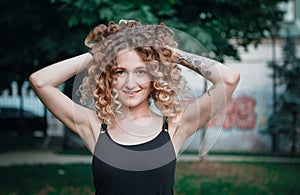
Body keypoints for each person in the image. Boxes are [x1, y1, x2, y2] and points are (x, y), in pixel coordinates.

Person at [29, 20, 240, 195]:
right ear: (110, 78)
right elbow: (40, 81)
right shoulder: (94, 126)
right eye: (120, 72)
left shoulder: (176, 126)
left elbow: (229, 79)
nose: (130, 83)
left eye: (141, 71)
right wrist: (102, 53)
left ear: (154, 77)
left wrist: (170, 54)